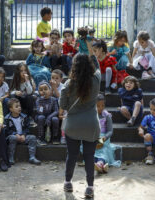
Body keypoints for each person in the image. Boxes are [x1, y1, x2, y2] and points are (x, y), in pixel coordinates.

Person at [60, 50, 101, 198]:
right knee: (89, 156)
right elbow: (97, 66)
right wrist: (93, 54)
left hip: (73, 125)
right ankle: (90, 187)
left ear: (74, 66)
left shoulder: (68, 84)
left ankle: (68, 183)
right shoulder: (96, 80)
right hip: (91, 124)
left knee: (71, 155)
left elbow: (63, 105)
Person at [4, 98, 41, 165]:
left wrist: (24, 134)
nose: (19, 108)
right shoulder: (7, 118)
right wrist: (15, 134)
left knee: (32, 138)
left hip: (23, 136)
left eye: (20, 106)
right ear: (11, 109)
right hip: (13, 137)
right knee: (12, 138)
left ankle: (32, 157)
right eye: (16, 106)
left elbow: (27, 127)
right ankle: (10, 157)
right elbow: (7, 130)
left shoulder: (24, 117)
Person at [93, 94, 121, 173]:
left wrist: (104, 138)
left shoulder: (107, 116)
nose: (100, 108)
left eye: (102, 105)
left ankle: (100, 163)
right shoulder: (90, 115)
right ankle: (102, 166)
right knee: (92, 150)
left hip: (104, 138)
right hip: (92, 137)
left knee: (103, 149)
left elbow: (110, 131)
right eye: (97, 106)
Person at [35, 81, 59, 145]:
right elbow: (39, 112)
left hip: (51, 115)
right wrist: (41, 103)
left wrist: (49, 117)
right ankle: (40, 137)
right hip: (41, 115)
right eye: (41, 90)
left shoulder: (53, 99)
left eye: (45, 89)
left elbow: (56, 111)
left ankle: (55, 137)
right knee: (41, 117)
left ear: (50, 90)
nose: (43, 91)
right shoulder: (38, 100)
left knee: (55, 119)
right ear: (39, 92)